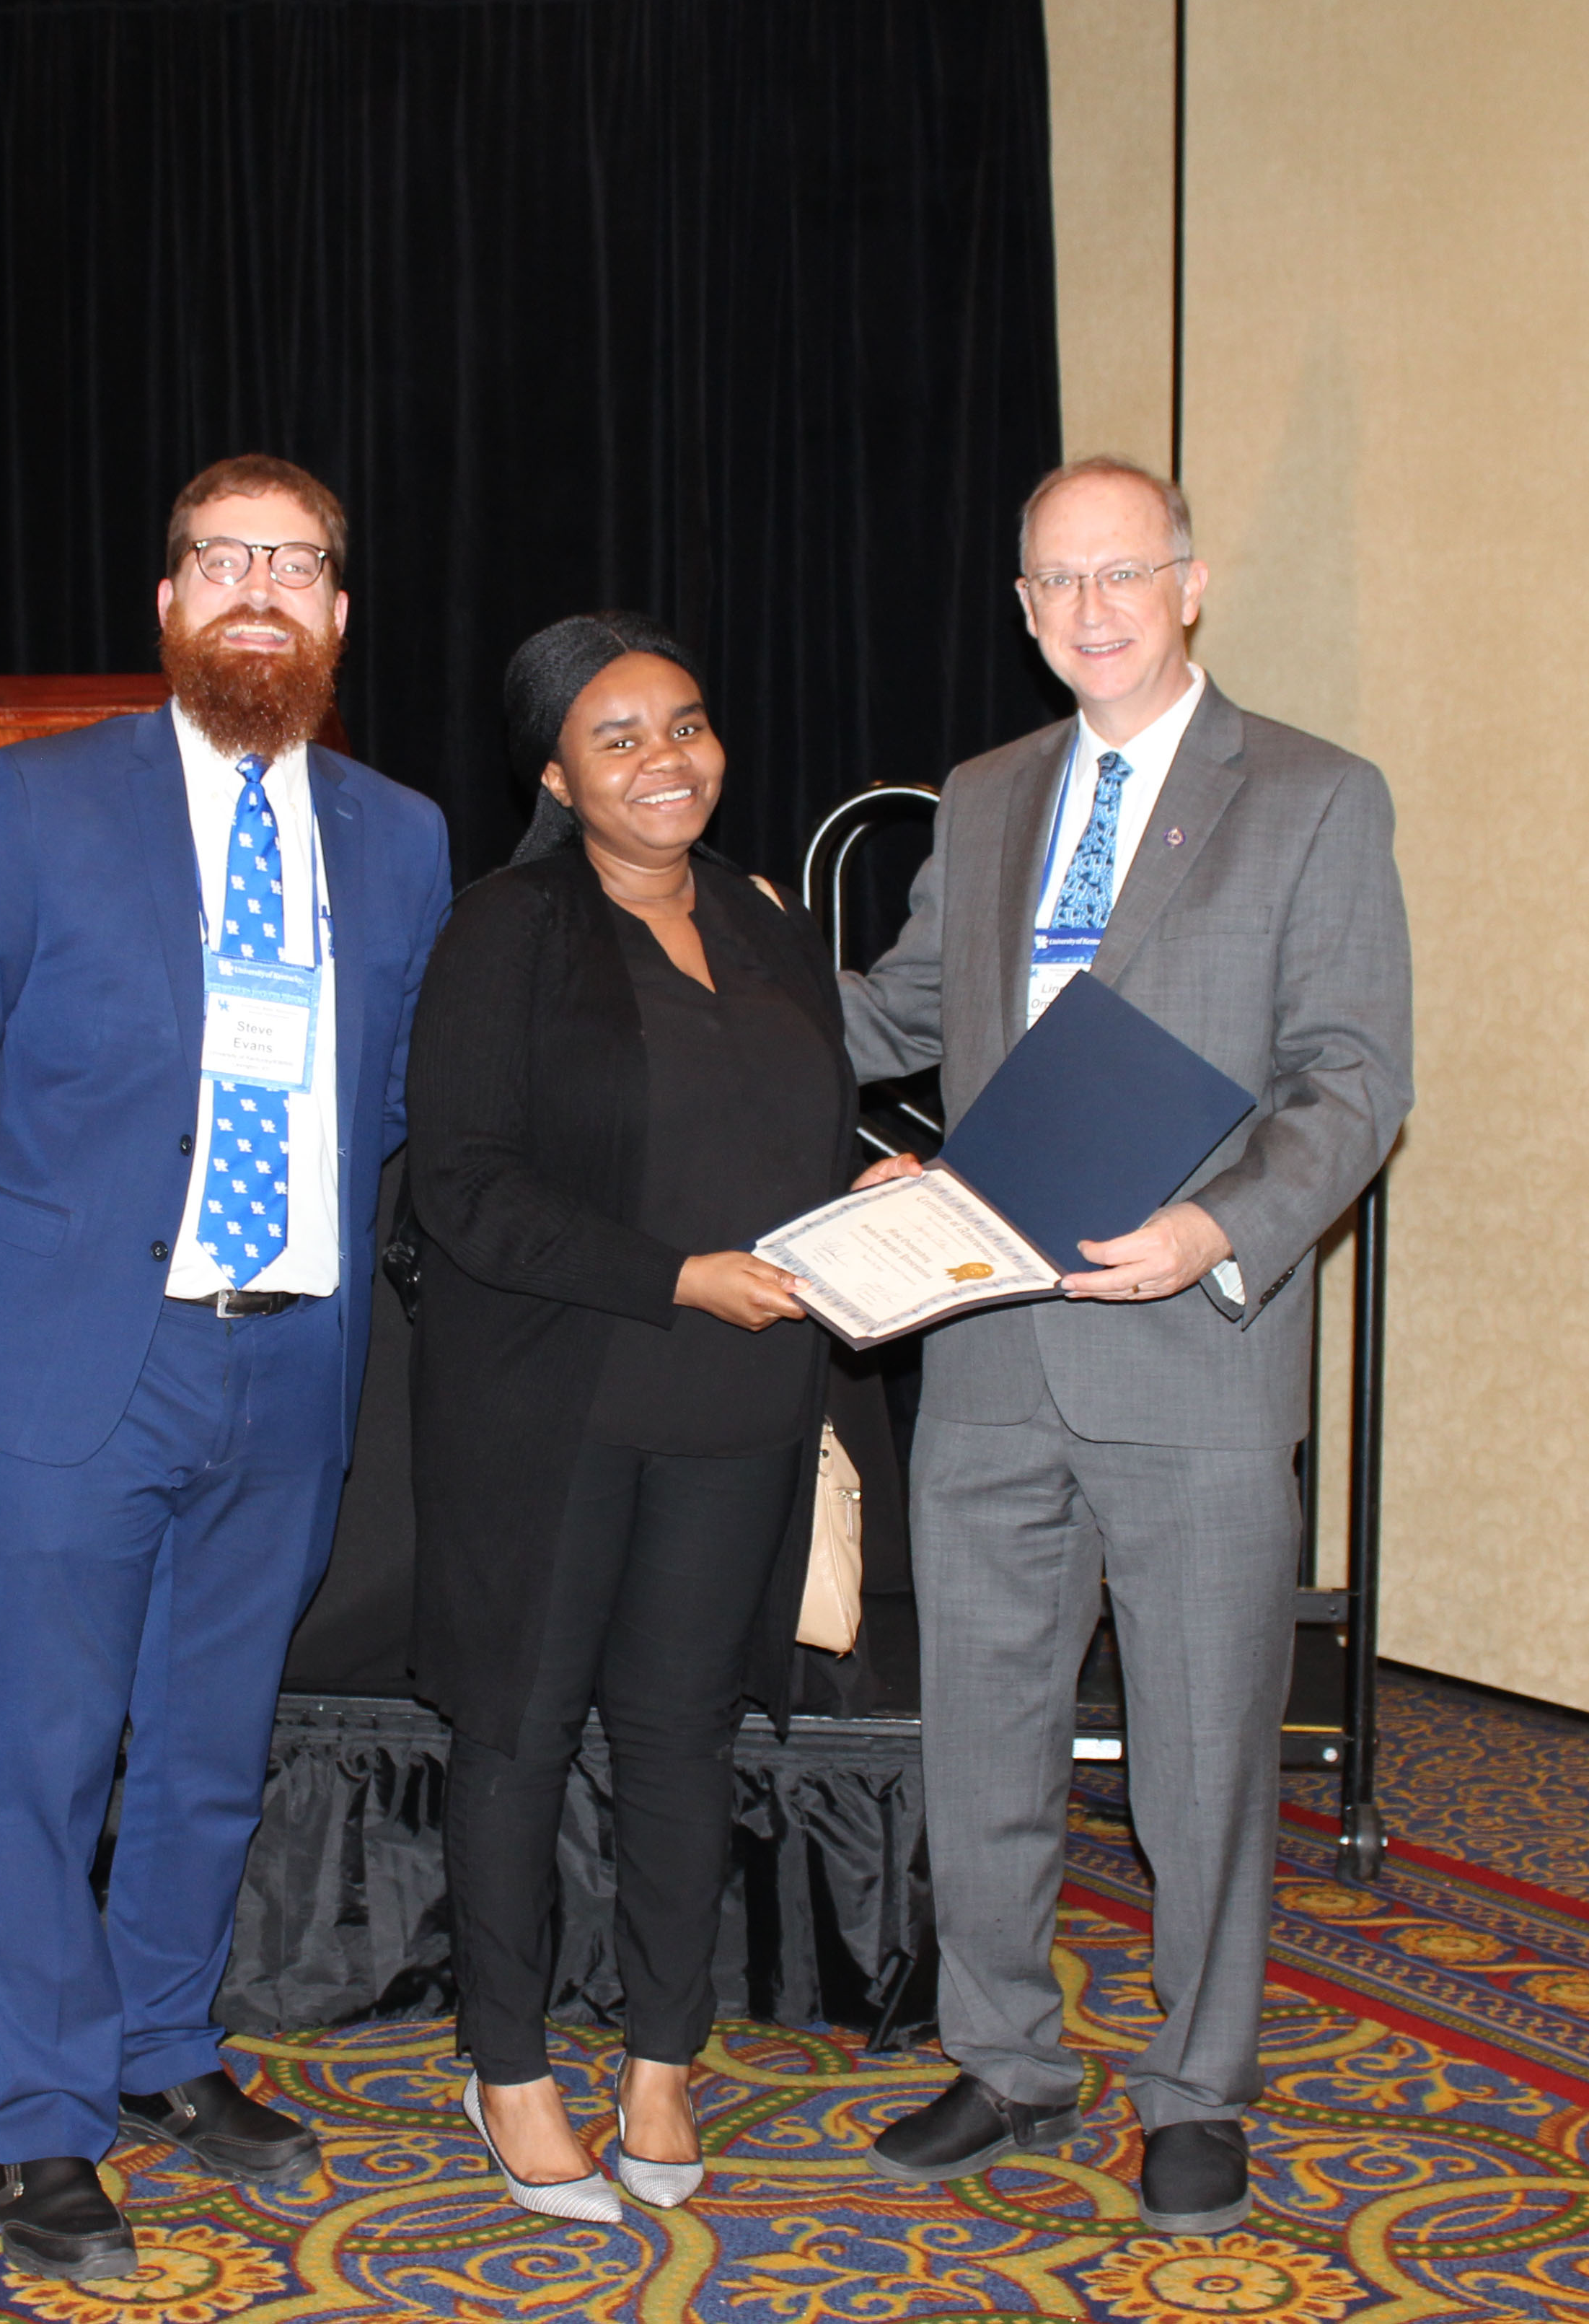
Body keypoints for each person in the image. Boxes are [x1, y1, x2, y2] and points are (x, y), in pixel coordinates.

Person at [0, 455, 450, 2282]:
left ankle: (161, 2046)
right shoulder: (37, 803)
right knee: (49, 1751)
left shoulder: (402, 835)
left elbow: (407, 1098)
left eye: (296, 561)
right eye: (222, 558)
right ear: (169, 601)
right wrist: (58, 1242)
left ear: (339, 612)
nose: (257, 588)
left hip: (292, 1369)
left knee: (208, 1749)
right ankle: (42, 2117)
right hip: (83, 1371)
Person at [841, 458, 1412, 2234]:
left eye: (1122, 575)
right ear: (1020, 610)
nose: (1088, 610)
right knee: (984, 1730)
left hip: (1199, 1356)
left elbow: (1352, 1076)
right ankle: (1005, 2054)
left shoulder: (1312, 795)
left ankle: (1195, 2084)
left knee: (1199, 1748)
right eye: (1052, 583)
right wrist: (693, 970)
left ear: (1190, 584)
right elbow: (906, 1008)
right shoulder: (992, 790)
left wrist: (1211, 1230)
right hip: (995, 1340)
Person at [405, 614, 904, 2222]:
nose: (663, 759)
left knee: (684, 1737)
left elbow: (775, 1141)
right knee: (520, 1732)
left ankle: (663, 2061)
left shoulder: (767, 921)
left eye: (684, 724)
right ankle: (510, 2067)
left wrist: (861, 1201)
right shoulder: (504, 929)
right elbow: (463, 1188)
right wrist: (675, 1274)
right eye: (617, 737)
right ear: (554, 771)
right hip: (553, 1403)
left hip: (741, 1399)